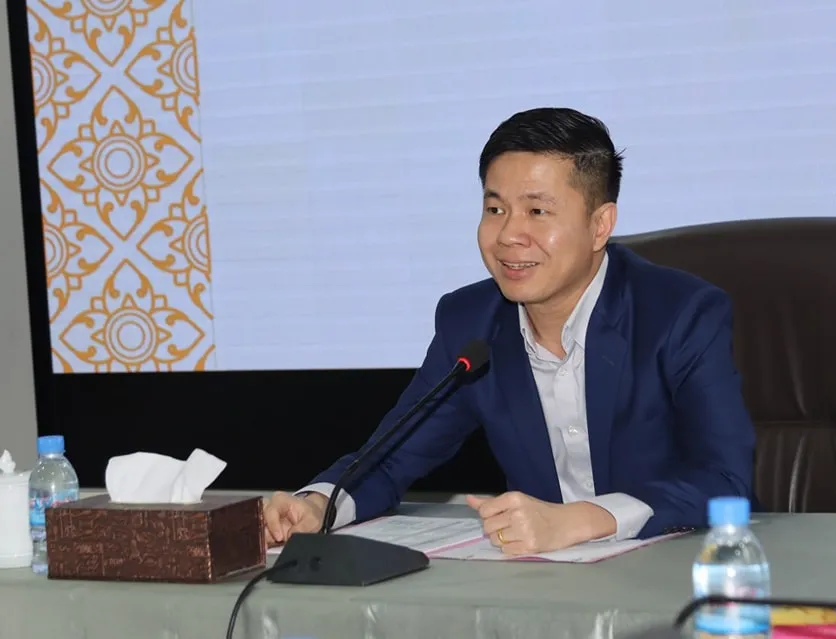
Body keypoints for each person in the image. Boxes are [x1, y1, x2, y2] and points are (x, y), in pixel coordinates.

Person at [263, 107, 757, 556]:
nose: (507, 235)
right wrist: (317, 504)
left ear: (600, 225)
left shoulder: (680, 314)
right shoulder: (470, 322)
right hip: (541, 586)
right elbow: (390, 460)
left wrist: (582, 520)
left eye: (537, 212)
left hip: (677, 574)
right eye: (495, 209)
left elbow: (725, 479)